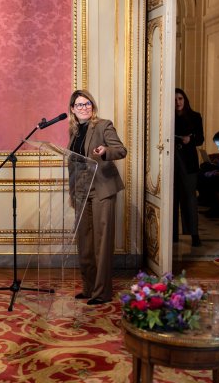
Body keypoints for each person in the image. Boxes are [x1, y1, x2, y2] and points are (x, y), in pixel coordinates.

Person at [67, 89, 127, 305]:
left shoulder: (103, 125)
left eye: (87, 104)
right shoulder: (74, 131)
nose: (84, 108)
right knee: (85, 243)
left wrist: (105, 151)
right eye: (79, 105)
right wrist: (73, 192)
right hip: (82, 191)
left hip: (102, 189)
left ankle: (101, 292)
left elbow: (121, 150)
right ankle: (89, 287)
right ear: (72, 110)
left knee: (101, 244)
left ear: (92, 106)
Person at [173, 88, 203, 247]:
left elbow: (200, 140)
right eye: (175, 99)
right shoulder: (168, 117)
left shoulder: (195, 117)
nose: (177, 102)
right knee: (172, 199)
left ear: (185, 100)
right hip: (172, 162)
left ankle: (194, 235)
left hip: (189, 163)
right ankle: (172, 235)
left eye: (180, 98)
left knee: (190, 199)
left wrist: (189, 140)